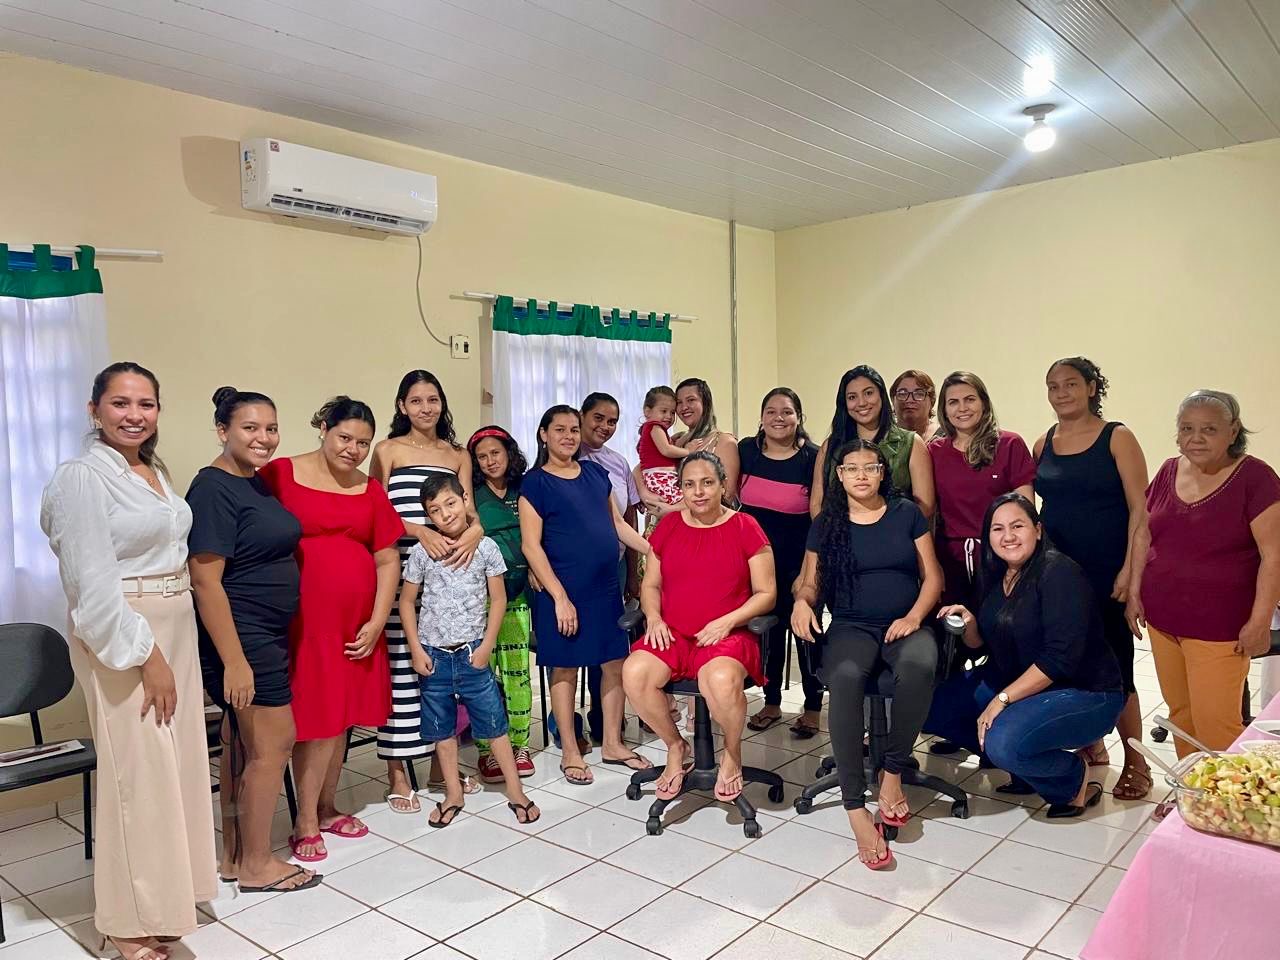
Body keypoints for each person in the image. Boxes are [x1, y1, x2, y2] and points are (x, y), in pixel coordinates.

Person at [40, 362, 217, 960]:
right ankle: (123, 920)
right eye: (120, 403)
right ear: (94, 409)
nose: (134, 415)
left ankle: (164, 903)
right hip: (126, 633)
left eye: (146, 404)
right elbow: (90, 584)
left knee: (174, 770)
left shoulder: (152, 472)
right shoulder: (81, 478)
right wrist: (146, 655)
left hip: (176, 621)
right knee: (135, 777)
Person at [187, 387, 319, 894]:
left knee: (245, 749)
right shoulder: (212, 488)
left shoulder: (254, 481)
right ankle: (259, 866)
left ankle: (236, 857)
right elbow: (205, 581)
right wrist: (235, 661)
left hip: (265, 633)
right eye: (250, 428)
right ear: (223, 431)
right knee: (273, 745)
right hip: (243, 637)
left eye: (271, 428)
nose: (263, 438)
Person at [261, 397, 403, 861]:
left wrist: (378, 619)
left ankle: (326, 807)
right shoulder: (281, 474)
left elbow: (387, 558)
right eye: (345, 438)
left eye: (363, 443)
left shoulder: (369, 489)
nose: (353, 450)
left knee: (340, 716)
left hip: (355, 623)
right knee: (316, 717)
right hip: (303, 620)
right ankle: (304, 820)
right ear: (323, 428)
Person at [792, 440, 942, 869]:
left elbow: (933, 577)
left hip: (904, 623)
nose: (861, 475)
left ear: (882, 472)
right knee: (845, 677)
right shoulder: (828, 522)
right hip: (851, 626)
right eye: (851, 468)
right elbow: (809, 582)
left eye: (870, 467)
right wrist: (802, 601)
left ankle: (892, 773)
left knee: (919, 666)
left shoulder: (906, 513)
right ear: (839, 476)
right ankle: (856, 808)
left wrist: (914, 617)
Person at [929, 494, 1127, 817]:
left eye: (1017, 526)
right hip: (1022, 685)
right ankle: (1025, 770)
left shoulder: (1059, 573)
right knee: (936, 706)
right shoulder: (996, 572)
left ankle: (1071, 780)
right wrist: (970, 623)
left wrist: (1002, 699)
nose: (1008, 536)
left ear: (1037, 529)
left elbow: (1059, 659)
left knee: (1003, 741)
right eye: (998, 529)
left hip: (1084, 692)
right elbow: (983, 645)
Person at [1127, 390, 1280, 756]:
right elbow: (1143, 533)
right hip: (1163, 619)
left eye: (1209, 429)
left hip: (1219, 628)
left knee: (1216, 724)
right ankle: (1190, 787)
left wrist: (1260, 622)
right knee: (1181, 715)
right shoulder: (1168, 470)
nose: (1196, 438)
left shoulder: (1255, 477)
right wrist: (1133, 592)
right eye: (1187, 428)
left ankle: (1225, 792)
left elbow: (1273, 556)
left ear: (1233, 431)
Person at [623, 452, 776, 802]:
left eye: (707, 483)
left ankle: (733, 754)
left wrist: (728, 621)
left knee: (718, 681)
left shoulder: (745, 526)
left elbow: (767, 594)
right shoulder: (669, 526)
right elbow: (651, 585)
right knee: (634, 672)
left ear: (723, 485)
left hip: (727, 634)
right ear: (680, 489)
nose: (699, 492)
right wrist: (654, 617)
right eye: (689, 484)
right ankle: (676, 746)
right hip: (674, 632)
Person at [1034, 358, 1152, 799]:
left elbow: (1141, 510)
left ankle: (1137, 761)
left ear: (1091, 388)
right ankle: (1092, 743)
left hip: (1108, 572)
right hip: (1059, 576)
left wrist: (1130, 570)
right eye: (1053, 386)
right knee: (1070, 658)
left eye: (1070, 384)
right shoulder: (1043, 442)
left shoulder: (1117, 437)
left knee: (1117, 664)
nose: (1061, 392)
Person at [519, 405, 654, 785]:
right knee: (565, 668)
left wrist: (653, 550)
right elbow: (531, 546)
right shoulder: (535, 483)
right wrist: (560, 598)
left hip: (604, 588)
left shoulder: (595, 474)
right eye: (560, 430)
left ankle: (612, 742)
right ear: (544, 434)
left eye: (574, 430)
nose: (569, 436)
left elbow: (616, 524)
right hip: (562, 591)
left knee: (614, 664)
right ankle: (570, 751)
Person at [369, 370, 484, 812]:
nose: (425, 408)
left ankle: (442, 769)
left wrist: (474, 534)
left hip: (447, 575)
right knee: (401, 670)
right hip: (398, 573)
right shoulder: (387, 450)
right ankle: (397, 774)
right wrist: (418, 530)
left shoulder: (457, 454)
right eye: (415, 401)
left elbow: (471, 513)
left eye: (432, 399)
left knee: (443, 671)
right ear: (402, 406)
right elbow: (373, 511)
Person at [399, 474, 541, 827]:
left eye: (450, 503)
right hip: (434, 656)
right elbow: (406, 602)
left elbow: (499, 599)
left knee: (494, 725)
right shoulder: (423, 552)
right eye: (435, 510)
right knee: (442, 731)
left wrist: (487, 645)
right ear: (428, 515)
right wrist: (416, 649)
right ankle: (452, 793)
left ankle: (516, 791)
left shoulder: (486, 548)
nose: (445, 514)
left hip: (473, 654)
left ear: (465, 500)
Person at [927, 371, 1036, 756]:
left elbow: (1025, 508)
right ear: (943, 409)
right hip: (952, 559)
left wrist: (1020, 562)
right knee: (955, 643)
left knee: (1003, 641)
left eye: (969, 399)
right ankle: (963, 730)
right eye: (953, 402)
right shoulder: (935, 451)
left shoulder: (1009, 445)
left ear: (984, 402)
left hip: (1000, 559)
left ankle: (1009, 733)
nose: (962, 408)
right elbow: (929, 509)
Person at [737, 388, 822, 734]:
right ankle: (771, 702)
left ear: (799, 417)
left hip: (800, 564)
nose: (778, 418)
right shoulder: (746, 451)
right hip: (756, 565)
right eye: (771, 411)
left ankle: (813, 707)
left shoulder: (813, 458)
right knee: (767, 635)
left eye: (787, 411)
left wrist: (809, 573)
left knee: (806, 633)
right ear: (761, 418)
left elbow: (820, 517)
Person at [467, 426, 535, 781]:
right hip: (478, 599)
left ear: (509, 452)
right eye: (482, 456)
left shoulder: (526, 488)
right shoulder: (470, 493)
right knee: (482, 676)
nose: (490, 461)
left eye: (496, 452)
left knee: (517, 674)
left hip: (518, 596)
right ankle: (487, 750)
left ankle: (520, 744)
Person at [579, 392, 645, 742]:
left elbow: (628, 518)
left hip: (615, 564)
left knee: (609, 643)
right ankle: (571, 721)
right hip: (574, 569)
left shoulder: (617, 462)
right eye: (598, 418)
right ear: (581, 416)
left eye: (612, 421)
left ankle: (605, 715)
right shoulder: (564, 458)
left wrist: (633, 572)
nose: (605, 426)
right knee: (579, 643)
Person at [811, 365, 935, 520]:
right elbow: (817, 503)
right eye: (852, 397)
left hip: (896, 533)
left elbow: (926, 506)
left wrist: (885, 530)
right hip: (840, 533)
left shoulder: (912, 443)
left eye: (868, 393)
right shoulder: (831, 445)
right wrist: (829, 530)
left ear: (881, 395)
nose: (862, 403)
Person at [673, 378, 740, 499]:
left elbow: (728, 494)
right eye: (679, 402)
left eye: (691, 400)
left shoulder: (724, 442)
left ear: (705, 403)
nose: (684, 407)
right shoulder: (676, 441)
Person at [636, 385, 690, 516]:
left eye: (672, 412)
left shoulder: (649, 430)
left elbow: (652, 450)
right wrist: (689, 452)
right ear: (647, 411)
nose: (669, 416)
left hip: (654, 477)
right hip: (660, 477)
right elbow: (666, 450)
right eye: (664, 411)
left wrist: (672, 439)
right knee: (688, 501)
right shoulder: (655, 427)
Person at [891, 369, 942, 441]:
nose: (909, 400)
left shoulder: (946, 438)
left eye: (919, 394)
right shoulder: (882, 438)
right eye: (902, 393)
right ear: (893, 400)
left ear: (932, 400)